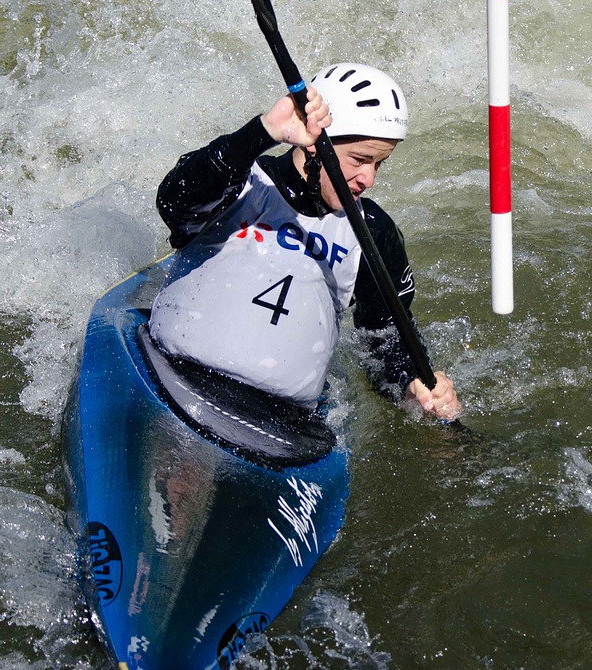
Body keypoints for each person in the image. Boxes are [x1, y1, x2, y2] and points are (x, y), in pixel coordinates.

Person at [148, 62, 462, 421]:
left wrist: (413, 382)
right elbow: (174, 202)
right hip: (174, 374)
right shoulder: (242, 182)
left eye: (380, 163)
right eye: (360, 160)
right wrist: (263, 132)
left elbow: (386, 337)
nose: (369, 179)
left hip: (286, 423)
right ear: (316, 147)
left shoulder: (372, 232)